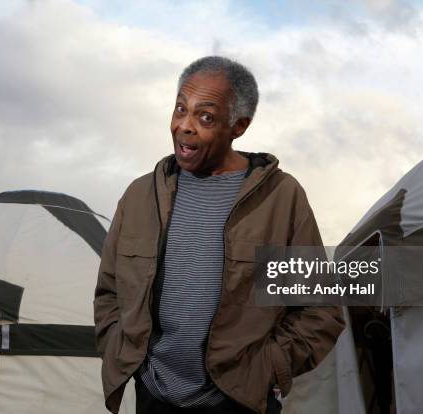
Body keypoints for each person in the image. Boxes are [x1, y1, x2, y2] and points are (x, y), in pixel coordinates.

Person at [94, 56, 345, 414]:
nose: (185, 126)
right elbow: (108, 292)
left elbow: (320, 312)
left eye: (205, 117)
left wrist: (267, 369)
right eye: (181, 109)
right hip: (153, 396)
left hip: (238, 402)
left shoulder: (280, 198)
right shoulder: (139, 195)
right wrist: (126, 355)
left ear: (238, 126)